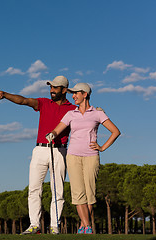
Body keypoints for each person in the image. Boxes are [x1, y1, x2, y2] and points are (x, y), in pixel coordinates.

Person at [0, 76, 76, 235]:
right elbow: (23, 101)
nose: (52, 90)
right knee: (34, 189)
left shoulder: (72, 109)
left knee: (57, 190)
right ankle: (34, 225)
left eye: (55, 88)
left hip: (60, 151)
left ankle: (54, 226)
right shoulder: (44, 103)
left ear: (64, 90)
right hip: (40, 150)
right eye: (51, 87)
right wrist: (5, 94)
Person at [46, 83, 120, 234]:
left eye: (75, 93)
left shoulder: (98, 113)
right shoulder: (71, 114)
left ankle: (83, 225)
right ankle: (87, 226)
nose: (73, 96)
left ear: (85, 94)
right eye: (72, 93)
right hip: (73, 156)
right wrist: (52, 134)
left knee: (89, 194)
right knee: (78, 193)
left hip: (91, 157)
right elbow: (58, 129)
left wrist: (102, 147)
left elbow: (115, 132)